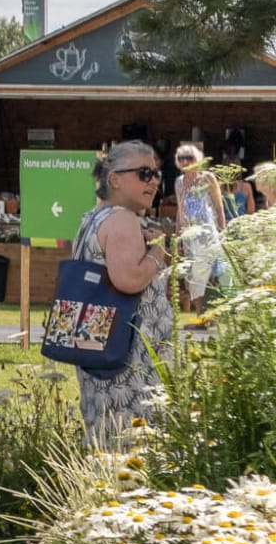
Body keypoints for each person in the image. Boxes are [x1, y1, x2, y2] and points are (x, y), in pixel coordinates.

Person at [73, 141, 172, 448]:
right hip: (130, 362)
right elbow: (129, 279)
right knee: (138, 447)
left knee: (105, 440)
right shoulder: (122, 219)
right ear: (114, 178)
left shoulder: (92, 218)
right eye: (144, 173)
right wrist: (159, 252)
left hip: (99, 350)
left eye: (156, 173)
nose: (154, 181)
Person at [172, 143, 228, 316]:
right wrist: (177, 236)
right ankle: (201, 317)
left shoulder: (207, 177)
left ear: (197, 159)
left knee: (212, 275)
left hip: (208, 234)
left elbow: (219, 207)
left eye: (189, 157)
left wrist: (223, 233)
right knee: (194, 278)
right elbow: (180, 210)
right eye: (181, 158)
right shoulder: (179, 182)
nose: (185, 161)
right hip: (189, 237)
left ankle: (212, 316)